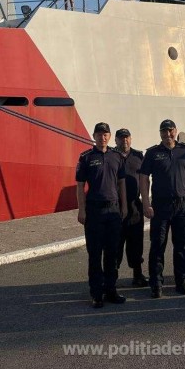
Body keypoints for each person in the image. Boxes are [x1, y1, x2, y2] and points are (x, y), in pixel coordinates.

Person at [139, 119, 185, 297]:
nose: (168, 134)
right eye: (164, 131)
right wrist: (146, 203)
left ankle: (181, 281)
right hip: (161, 205)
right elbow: (143, 178)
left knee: (181, 246)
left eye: (170, 131)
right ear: (160, 133)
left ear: (175, 131)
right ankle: (156, 284)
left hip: (182, 205)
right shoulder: (152, 153)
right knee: (158, 245)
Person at [75, 122, 128, 308]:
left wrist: (124, 206)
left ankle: (111, 290)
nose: (102, 137)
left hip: (113, 210)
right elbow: (80, 186)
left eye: (105, 134)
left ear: (110, 136)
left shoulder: (116, 156)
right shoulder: (86, 158)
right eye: (99, 134)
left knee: (112, 254)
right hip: (94, 211)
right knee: (95, 254)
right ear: (94, 136)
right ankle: (97, 293)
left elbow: (121, 183)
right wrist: (81, 210)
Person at [114, 128, 148, 287]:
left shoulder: (138, 156)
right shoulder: (111, 155)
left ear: (131, 139)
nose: (124, 141)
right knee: (115, 243)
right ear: (116, 140)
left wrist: (146, 202)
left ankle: (138, 274)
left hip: (135, 205)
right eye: (121, 138)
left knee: (136, 242)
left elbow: (144, 179)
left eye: (126, 138)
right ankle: (112, 276)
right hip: (116, 206)